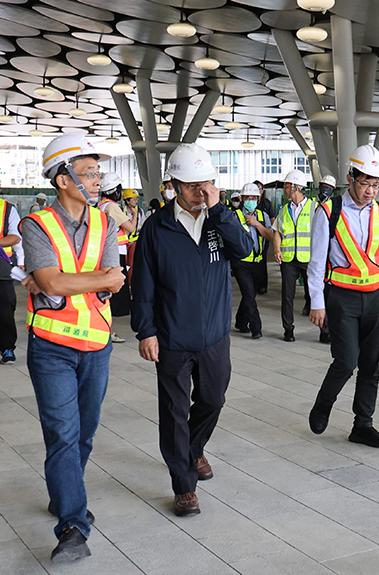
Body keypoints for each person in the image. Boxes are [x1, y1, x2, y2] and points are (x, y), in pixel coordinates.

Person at [131, 143, 252, 518]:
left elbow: (246, 250)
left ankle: (193, 448)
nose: (202, 193)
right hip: (172, 337)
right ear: (174, 185)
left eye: (209, 184)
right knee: (173, 411)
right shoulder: (157, 227)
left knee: (213, 400)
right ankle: (184, 486)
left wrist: (220, 210)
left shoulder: (220, 219)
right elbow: (144, 283)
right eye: (194, 186)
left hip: (214, 334)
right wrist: (145, 331)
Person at [20, 132, 125, 561]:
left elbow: (116, 279)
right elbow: (51, 283)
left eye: (98, 172)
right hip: (51, 347)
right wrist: (90, 280)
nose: (98, 179)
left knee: (84, 433)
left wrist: (70, 281)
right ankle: (73, 526)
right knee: (62, 434)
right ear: (63, 180)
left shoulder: (107, 223)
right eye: (88, 172)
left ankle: (65, 492)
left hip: (97, 344)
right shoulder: (36, 224)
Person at [307, 145, 379, 448]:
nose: (370, 191)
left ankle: (363, 425)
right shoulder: (329, 211)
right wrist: (317, 302)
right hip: (342, 299)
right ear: (351, 178)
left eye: (376, 185)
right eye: (365, 183)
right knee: (346, 361)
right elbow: (317, 260)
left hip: (375, 297)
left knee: (371, 365)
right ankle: (323, 403)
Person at [274, 170, 326, 342]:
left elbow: (322, 232)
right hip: (289, 259)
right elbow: (277, 232)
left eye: (286, 186)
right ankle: (288, 330)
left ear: (295, 188)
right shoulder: (283, 210)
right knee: (287, 297)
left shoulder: (315, 208)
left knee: (316, 293)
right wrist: (277, 250)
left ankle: (325, 330)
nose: (284, 189)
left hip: (309, 259)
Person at [232, 182, 273, 339]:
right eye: (247, 197)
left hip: (258, 262)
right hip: (241, 263)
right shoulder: (235, 216)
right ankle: (256, 328)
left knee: (250, 294)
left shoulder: (264, 216)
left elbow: (270, 236)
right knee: (249, 295)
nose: (250, 200)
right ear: (242, 199)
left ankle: (241, 321)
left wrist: (257, 224)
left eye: (253, 197)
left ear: (259, 198)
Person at [98, 172, 135, 344]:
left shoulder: (101, 205)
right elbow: (131, 227)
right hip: (116, 252)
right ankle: (107, 331)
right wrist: (134, 214)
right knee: (114, 293)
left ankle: (104, 330)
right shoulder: (112, 207)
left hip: (106, 251)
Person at [0, 195, 21, 363]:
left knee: (6, 308)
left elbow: (15, 236)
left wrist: (21, 261)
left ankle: (7, 347)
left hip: (2, 267)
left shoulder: (7, 209)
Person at [253, 180, 275, 294]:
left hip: (263, 237)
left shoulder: (266, 203)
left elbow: (272, 219)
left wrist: (270, 232)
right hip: (250, 237)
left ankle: (262, 285)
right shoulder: (246, 204)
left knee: (262, 260)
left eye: (260, 188)